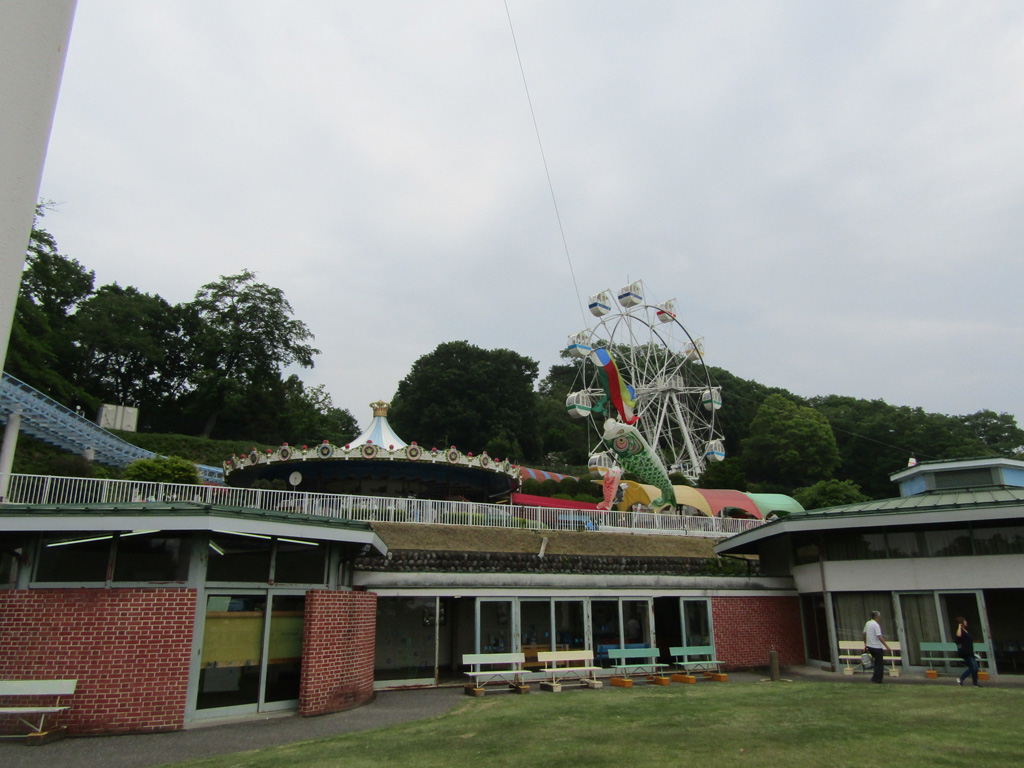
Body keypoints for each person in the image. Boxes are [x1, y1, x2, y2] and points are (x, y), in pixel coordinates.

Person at [863, 610, 891, 684]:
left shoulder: (868, 623)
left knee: (876, 663)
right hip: (876, 647)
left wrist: (865, 643)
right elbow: (879, 636)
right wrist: (887, 646)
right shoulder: (876, 625)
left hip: (870, 646)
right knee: (879, 664)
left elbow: (864, 633)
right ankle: (877, 679)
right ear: (877, 617)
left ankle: (874, 677)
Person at [954, 616, 980, 687]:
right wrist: (959, 626)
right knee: (973, 668)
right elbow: (958, 635)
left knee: (975, 668)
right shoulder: (960, 631)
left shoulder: (966, 631)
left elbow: (968, 642)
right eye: (964, 621)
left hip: (970, 651)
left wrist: (973, 651)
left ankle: (975, 683)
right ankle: (960, 679)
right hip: (965, 652)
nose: (966, 622)